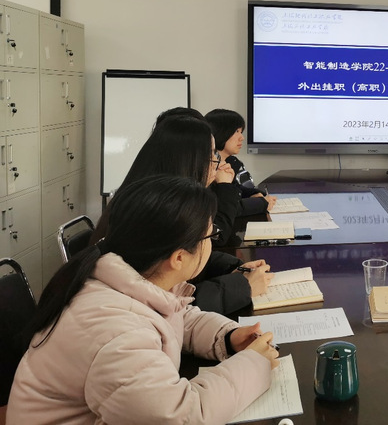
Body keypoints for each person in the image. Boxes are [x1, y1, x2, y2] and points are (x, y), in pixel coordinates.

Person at [7, 175, 279, 424]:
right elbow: (183, 416)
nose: (212, 243)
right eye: (211, 236)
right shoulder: (117, 334)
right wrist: (255, 362)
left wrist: (228, 337)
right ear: (179, 258)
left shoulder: (130, 281)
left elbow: (177, 318)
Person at [94, 115, 273, 314]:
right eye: (212, 154)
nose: (217, 161)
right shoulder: (159, 207)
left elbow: (192, 254)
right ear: (190, 161)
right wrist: (242, 287)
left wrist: (234, 268)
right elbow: (169, 302)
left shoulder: (158, 195)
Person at [205, 108, 277, 217]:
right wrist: (261, 203)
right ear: (221, 132)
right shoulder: (207, 169)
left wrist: (255, 194)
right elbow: (227, 207)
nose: (242, 138)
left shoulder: (232, 162)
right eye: (236, 131)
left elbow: (237, 190)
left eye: (241, 132)